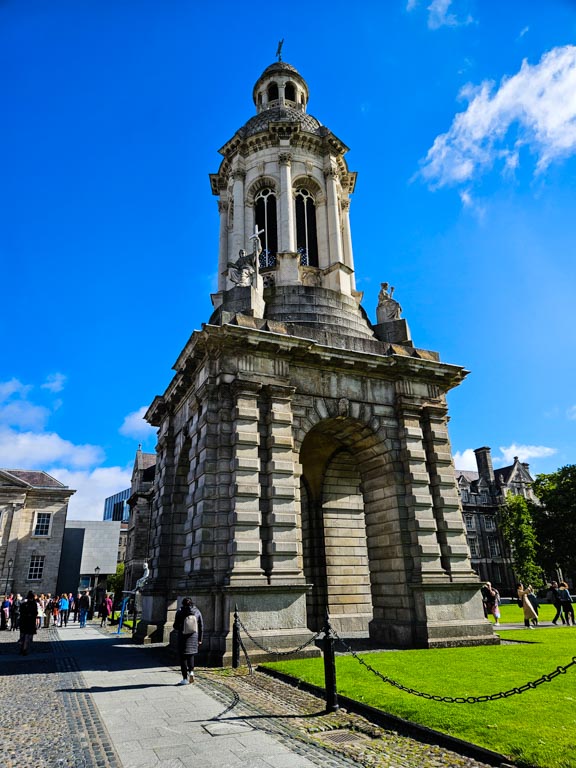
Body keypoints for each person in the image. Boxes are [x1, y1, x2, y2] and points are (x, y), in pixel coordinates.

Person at [173, 597, 203, 685]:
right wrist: (200, 639)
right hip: (194, 637)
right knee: (191, 656)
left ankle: (185, 679)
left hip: (183, 637)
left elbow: (175, 626)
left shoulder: (180, 612)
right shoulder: (197, 611)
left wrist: (180, 627)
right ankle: (191, 672)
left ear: (183, 604)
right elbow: (201, 626)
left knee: (183, 658)